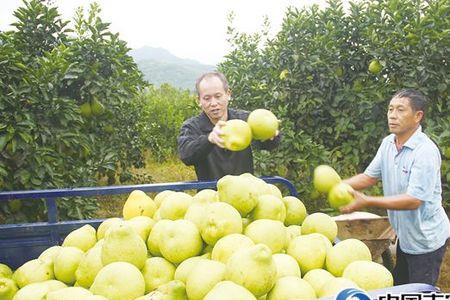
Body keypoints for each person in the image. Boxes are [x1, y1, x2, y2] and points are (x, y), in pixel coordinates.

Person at [340, 89, 450, 286]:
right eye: (390, 109)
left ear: (418, 116)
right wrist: (338, 185)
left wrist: (368, 201)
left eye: (400, 110)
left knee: (419, 291)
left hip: (426, 241)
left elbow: (413, 200)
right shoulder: (388, 144)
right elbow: (368, 177)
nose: (392, 115)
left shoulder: (425, 152)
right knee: (401, 287)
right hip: (406, 237)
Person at [177, 71, 280, 181]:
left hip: (245, 192)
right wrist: (209, 140)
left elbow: (267, 145)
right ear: (199, 100)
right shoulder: (192, 126)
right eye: (207, 98)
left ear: (228, 94)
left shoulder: (244, 120)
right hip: (211, 194)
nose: (213, 103)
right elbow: (186, 156)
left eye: (218, 96)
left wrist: (271, 136)